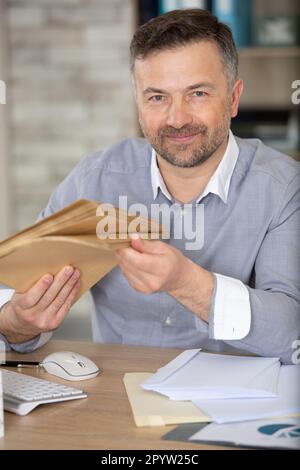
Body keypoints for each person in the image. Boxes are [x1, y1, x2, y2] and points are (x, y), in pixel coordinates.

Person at [0, 9, 299, 363]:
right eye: (157, 97)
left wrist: (187, 283)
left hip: (241, 412)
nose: (177, 119)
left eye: (198, 93)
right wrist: (17, 322)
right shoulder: (94, 179)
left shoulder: (284, 188)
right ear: (139, 102)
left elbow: (290, 332)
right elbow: (12, 290)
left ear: (233, 99)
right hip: (119, 401)